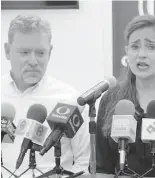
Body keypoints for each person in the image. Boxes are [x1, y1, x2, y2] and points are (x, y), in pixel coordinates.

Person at [1, 15, 90, 178]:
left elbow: (84, 162)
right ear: (7, 51)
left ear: (50, 52)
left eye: (40, 53)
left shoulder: (69, 99)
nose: (33, 61)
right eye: (24, 52)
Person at [96, 14, 155, 177]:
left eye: (151, 47)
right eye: (134, 47)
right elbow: (102, 167)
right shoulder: (112, 99)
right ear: (127, 52)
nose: (141, 54)